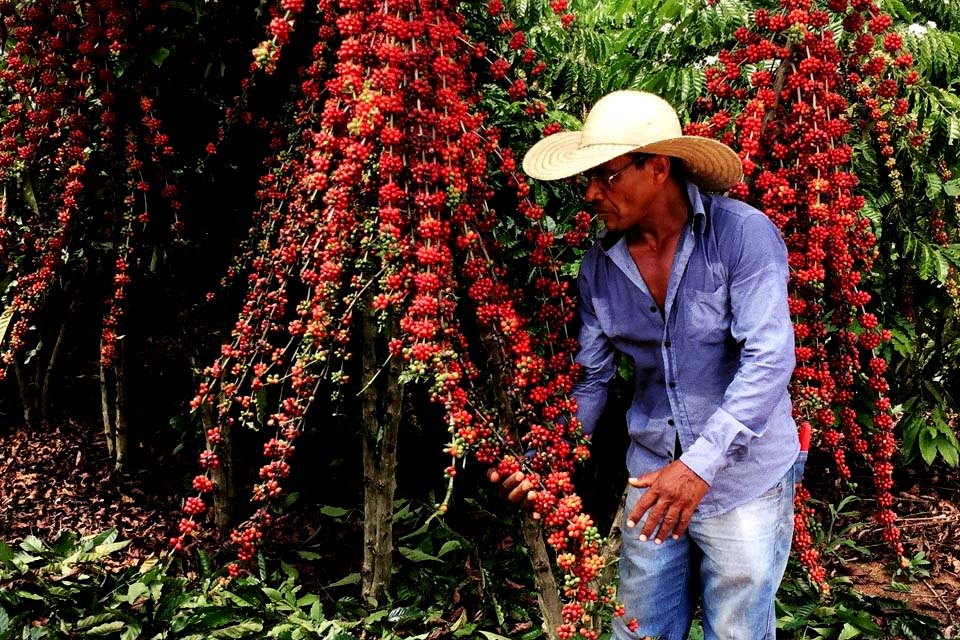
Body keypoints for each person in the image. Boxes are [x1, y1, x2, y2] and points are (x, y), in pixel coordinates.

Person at [490, 91, 806, 640]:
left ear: (657, 168)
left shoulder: (741, 237)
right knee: (640, 629)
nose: (590, 194)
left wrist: (699, 466)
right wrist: (547, 459)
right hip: (654, 470)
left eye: (605, 176)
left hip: (744, 476)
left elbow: (770, 359)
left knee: (737, 630)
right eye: (585, 180)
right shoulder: (600, 267)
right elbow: (593, 377)